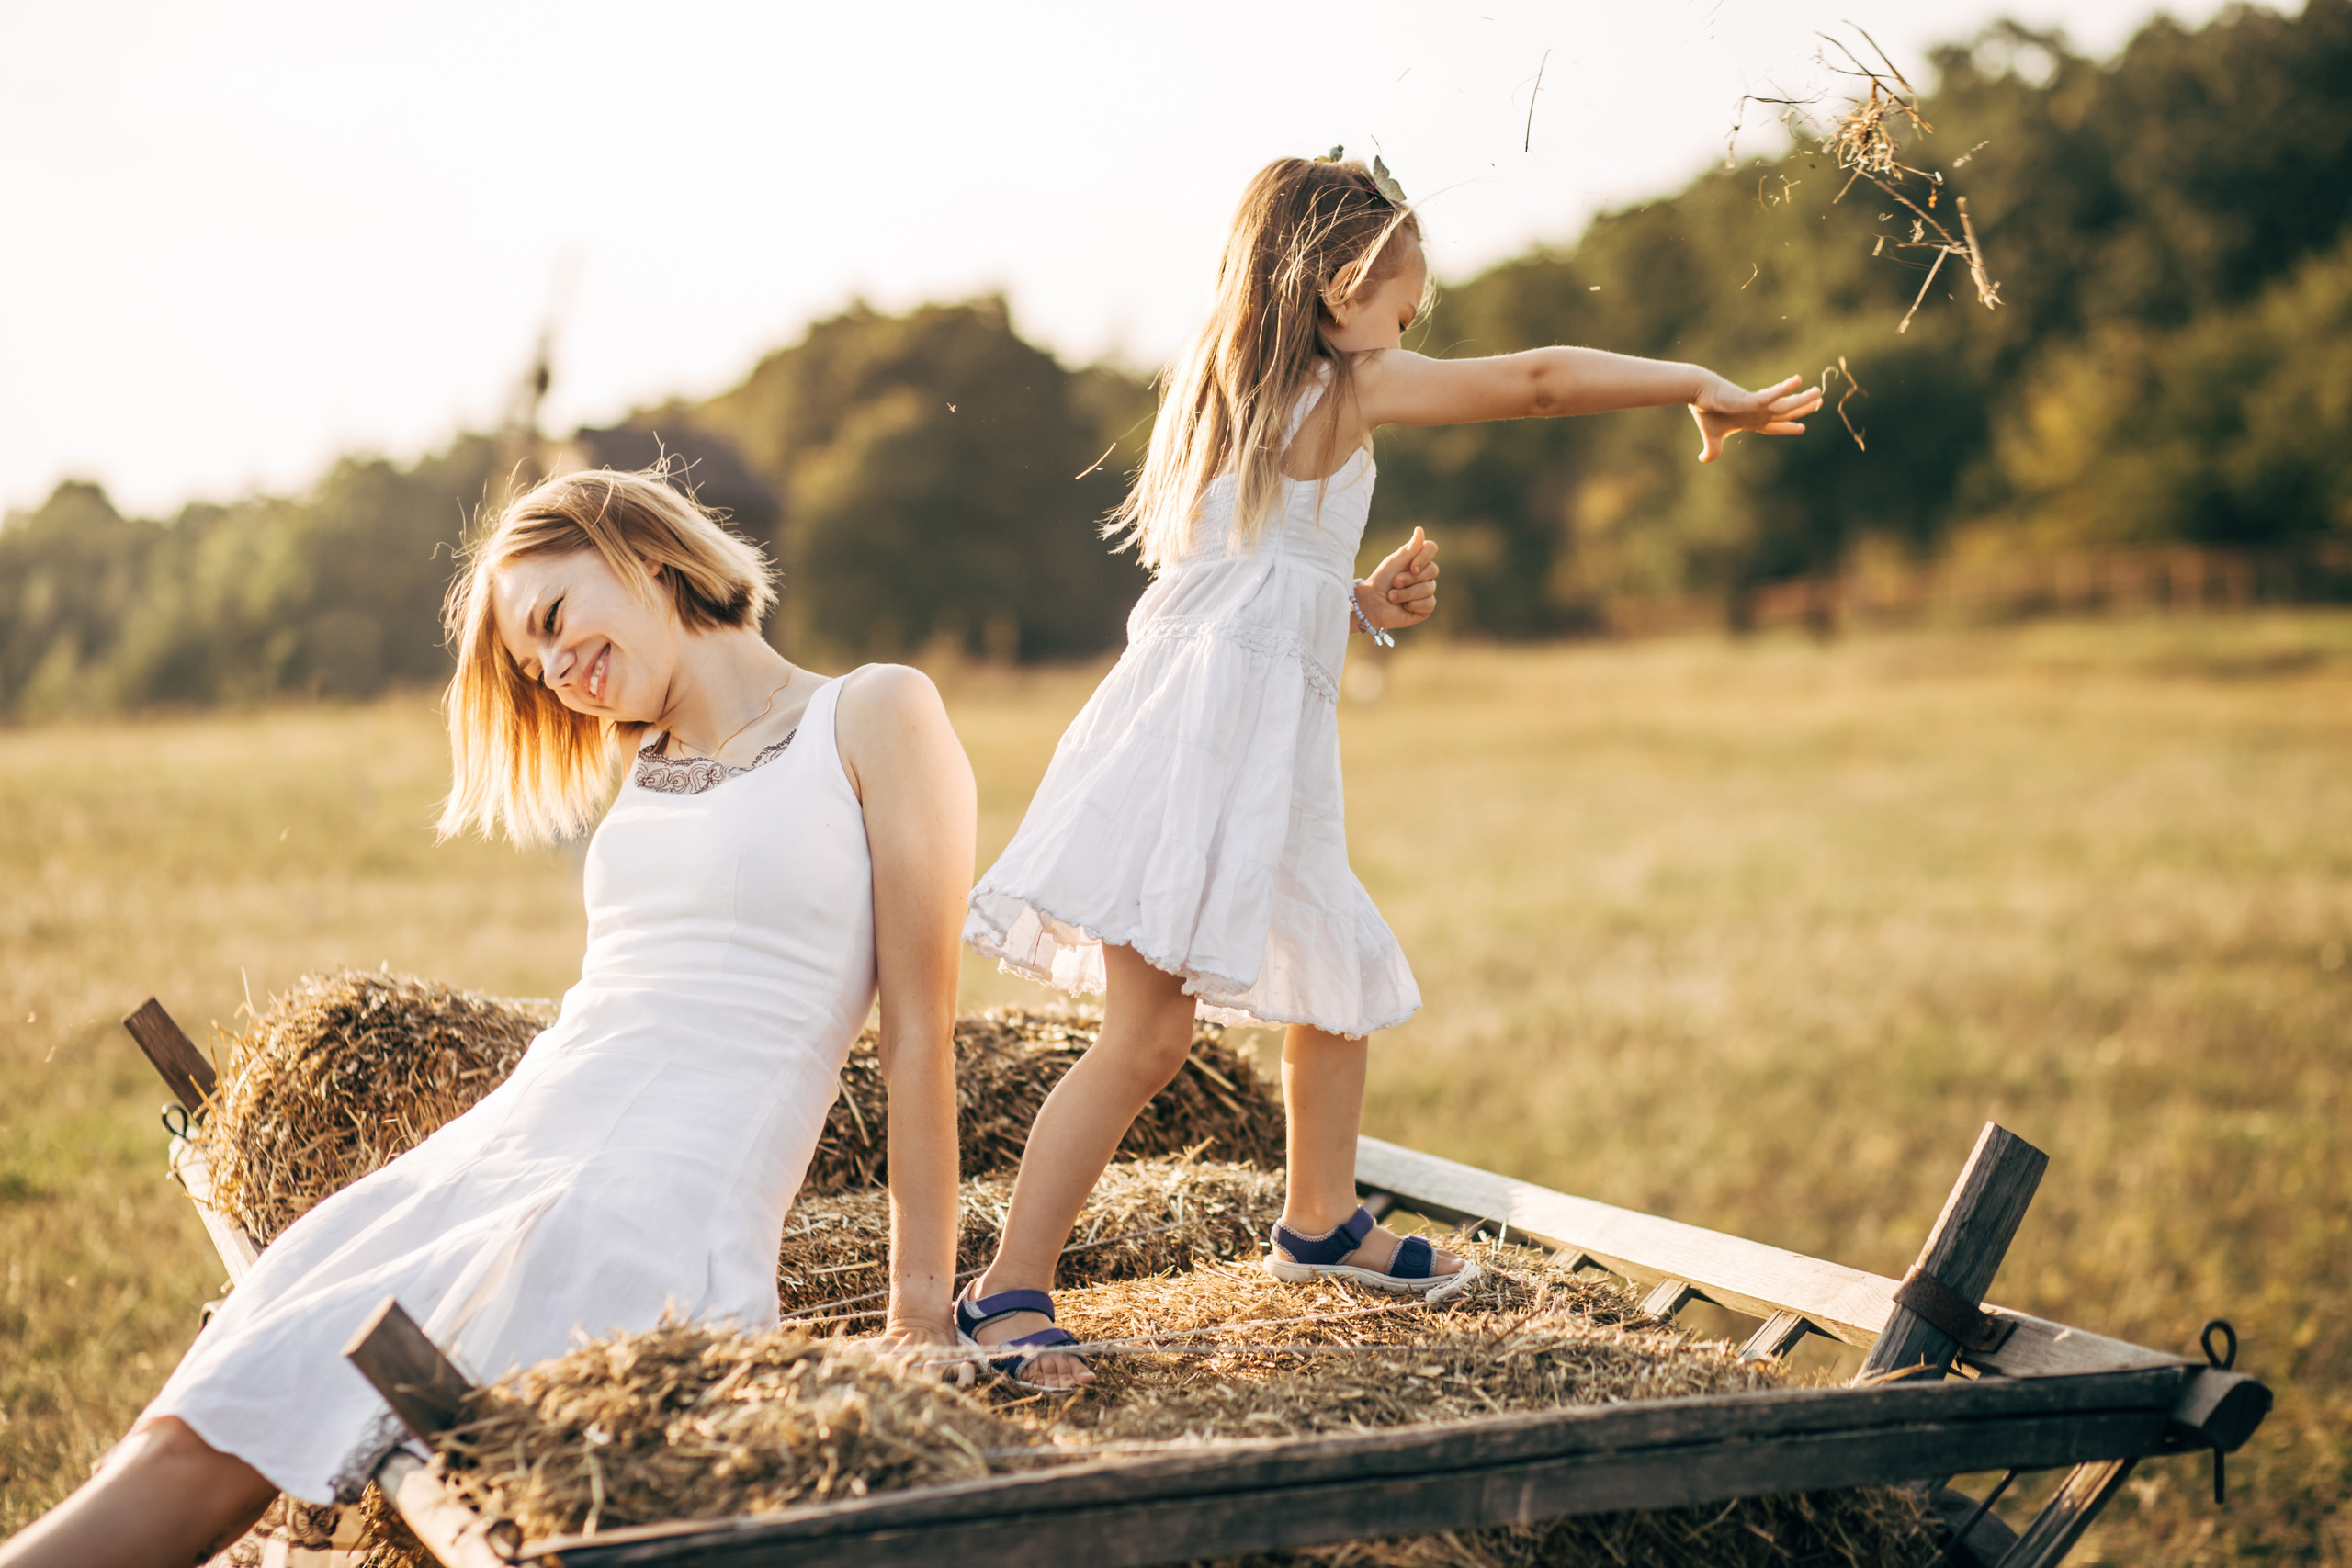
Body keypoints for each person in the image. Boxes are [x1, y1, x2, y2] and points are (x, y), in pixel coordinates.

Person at [0, 468, 977, 1568]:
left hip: (646, 1206)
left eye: (556, 622)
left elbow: (916, 1033)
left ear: (640, 553)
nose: (560, 673)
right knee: (207, 1418)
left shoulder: (877, 711)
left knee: (239, 1440)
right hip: (500, 1155)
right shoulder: (648, 775)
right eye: (535, 667)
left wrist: (920, 1313)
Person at [958, 152, 1822, 1388]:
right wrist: (1693, 381)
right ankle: (1005, 1289)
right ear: (1336, 289)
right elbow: (1534, 382)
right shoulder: (1345, 385)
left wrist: (1356, 598)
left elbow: (1248, 573)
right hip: (1204, 751)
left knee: (1337, 976)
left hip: (1237, 739)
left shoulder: (1236, 387)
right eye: (1404, 311)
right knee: (1149, 1036)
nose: (1410, 337)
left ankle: (1320, 1221)